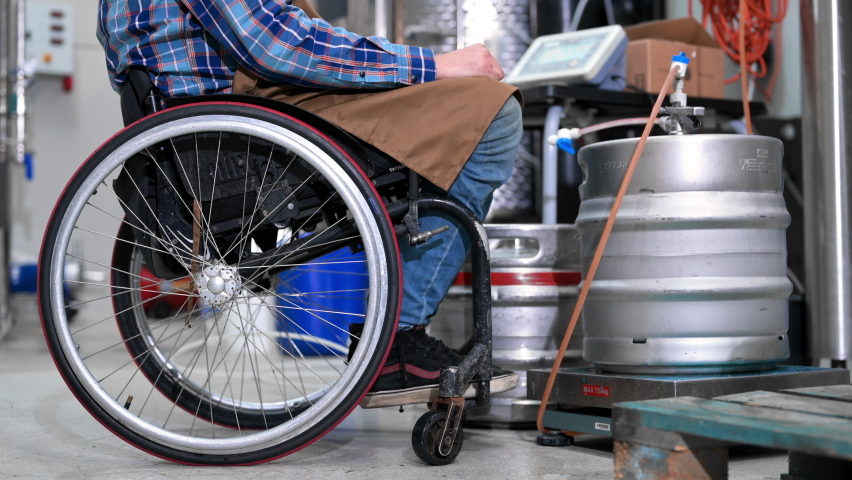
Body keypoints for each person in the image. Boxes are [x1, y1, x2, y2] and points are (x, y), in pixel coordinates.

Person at [98, 0, 523, 406]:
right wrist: (432, 66)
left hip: (212, 126)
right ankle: (399, 333)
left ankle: (399, 324)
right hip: (251, 122)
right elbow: (274, 45)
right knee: (490, 115)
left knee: (447, 116)